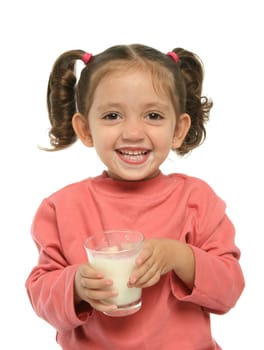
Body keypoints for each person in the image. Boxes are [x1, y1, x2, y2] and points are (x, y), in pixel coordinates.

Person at [25, 44, 245, 350]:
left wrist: (179, 256)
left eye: (153, 115)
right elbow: (40, 293)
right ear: (85, 129)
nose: (132, 132)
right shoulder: (62, 208)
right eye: (113, 115)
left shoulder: (196, 200)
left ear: (178, 129)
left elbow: (229, 288)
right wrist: (75, 286)